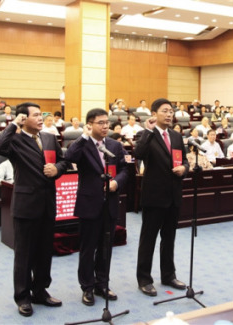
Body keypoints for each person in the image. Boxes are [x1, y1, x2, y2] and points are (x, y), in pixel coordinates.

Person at [0, 102, 69, 317]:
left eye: (40, 114)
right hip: (26, 205)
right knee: (24, 255)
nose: (40, 118)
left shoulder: (49, 138)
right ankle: (23, 297)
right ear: (23, 118)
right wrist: (13, 124)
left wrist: (57, 169)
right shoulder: (15, 140)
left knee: (45, 252)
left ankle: (40, 291)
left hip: (48, 204)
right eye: (35, 115)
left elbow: (63, 162)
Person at [65, 108, 128, 306]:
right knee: (87, 248)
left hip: (109, 204)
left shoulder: (115, 145)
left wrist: (117, 182)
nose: (105, 126)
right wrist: (83, 136)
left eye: (106, 122)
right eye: (100, 122)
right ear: (90, 125)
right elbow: (69, 158)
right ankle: (87, 287)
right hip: (89, 204)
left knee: (105, 248)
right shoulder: (82, 145)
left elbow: (126, 168)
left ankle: (102, 283)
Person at [133, 98, 189, 297]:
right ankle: (144, 279)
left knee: (169, 238)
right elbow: (137, 153)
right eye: (165, 111)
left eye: (171, 111)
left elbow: (184, 160)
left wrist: (184, 168)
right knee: (148, 239)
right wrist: (147, 131)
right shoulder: (145, 134)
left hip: (173, 195)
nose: (169, 114)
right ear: (154, 114)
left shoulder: (176, 136)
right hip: (154, 196)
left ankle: (168, 275)